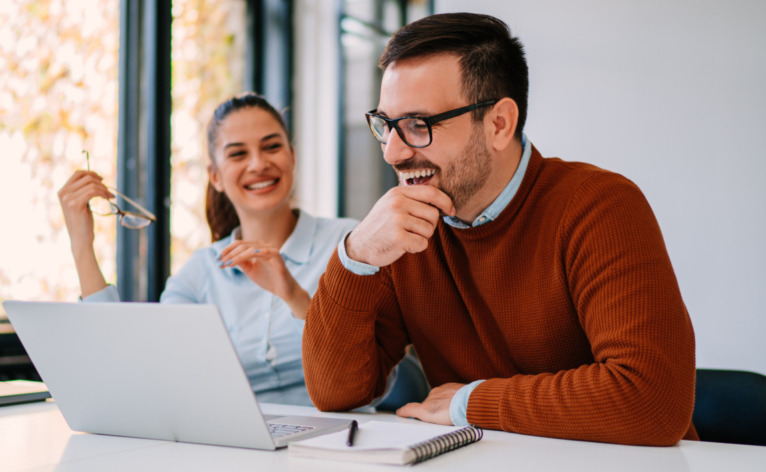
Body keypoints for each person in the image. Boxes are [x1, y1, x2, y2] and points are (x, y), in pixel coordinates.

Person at [302, 13, 697, 446]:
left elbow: (650, 401)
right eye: (386, 125)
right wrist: (354, 255)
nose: (393, 153)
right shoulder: (407, 229)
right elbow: (334, 393)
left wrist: (469, 403)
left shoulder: (600, 207)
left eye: (419, 125)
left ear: (498, 124)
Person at [58, 93, 358, 406]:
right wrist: (81, 246)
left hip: (343, 434)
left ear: (292, 157)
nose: (258, 164)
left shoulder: (348, 244)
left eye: (272, 147)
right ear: (215, 176)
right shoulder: (201, 271)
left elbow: (364, 364)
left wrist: (295, 297)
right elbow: (129, 371)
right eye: (238, 154)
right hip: (239, 441)